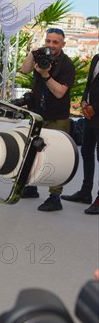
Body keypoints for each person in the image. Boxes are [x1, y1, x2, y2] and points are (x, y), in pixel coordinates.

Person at [20, 27, 75, 211]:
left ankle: (55, 197)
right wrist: (33, 53)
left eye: (55, 42)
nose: (51, 45)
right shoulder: (41, 56)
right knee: (32, 152)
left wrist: (45, 75)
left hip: (57, 117)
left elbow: (60, 93)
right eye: (48, 41)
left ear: (63, 44)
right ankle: (31, 187)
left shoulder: (67, 65)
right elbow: (24, 69)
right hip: (38, 113)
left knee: (58, 157)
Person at [62, 53, 99, 214]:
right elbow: (89, 83)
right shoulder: (96, 57)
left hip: (95, 112)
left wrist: (94, 108)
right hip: (90, 115)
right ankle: (85, 192)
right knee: (86, 151)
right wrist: (84, 102)